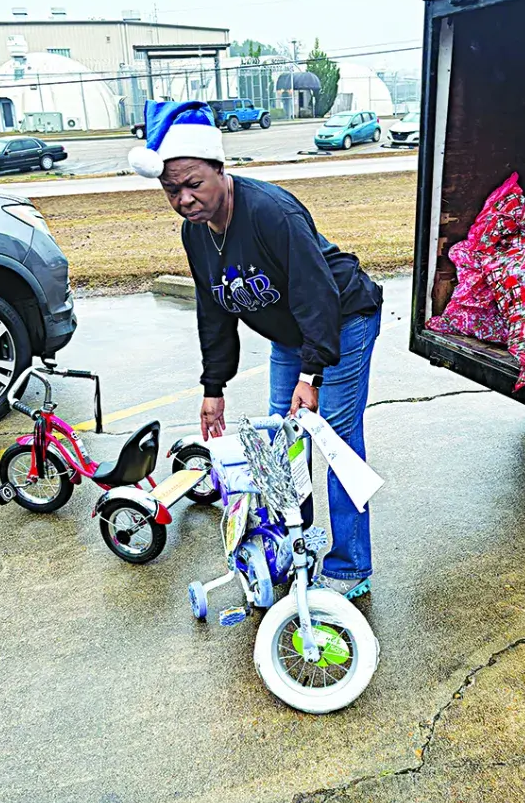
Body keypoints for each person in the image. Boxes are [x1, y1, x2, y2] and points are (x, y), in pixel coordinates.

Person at [129, 100, 383, 599]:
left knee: (334, 441)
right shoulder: (195, 233)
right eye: (171, 189)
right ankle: (293, 545)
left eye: (193, 184)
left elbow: (316, 294)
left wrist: (311, 375)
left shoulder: (271, 212)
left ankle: (351, 567)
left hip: (341, 320)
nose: (184, 199)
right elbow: (214, 310)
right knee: (278, 444)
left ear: (220, 169)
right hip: (290, 333)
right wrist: (213, 387)